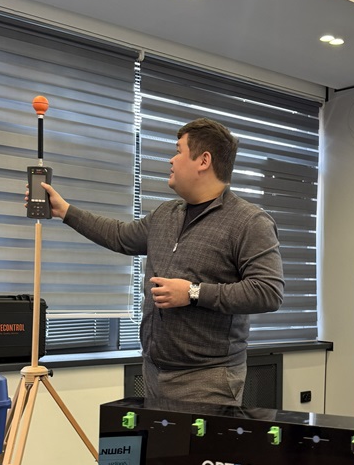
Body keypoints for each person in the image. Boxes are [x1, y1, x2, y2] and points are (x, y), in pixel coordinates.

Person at [42, 118, 284, 407]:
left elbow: (268, 291)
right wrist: (65, 211)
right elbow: (120, 236)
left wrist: (192, 292)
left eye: (178, 151)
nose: (171, 159)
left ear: (203, 160)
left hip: (208, 379)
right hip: (154, 373)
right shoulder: (166, 214)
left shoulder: (249, 222)